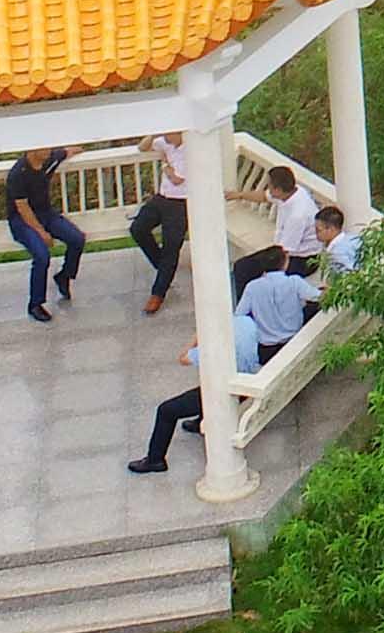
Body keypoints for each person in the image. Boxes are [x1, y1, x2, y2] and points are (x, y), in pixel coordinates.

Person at [127, 262, 322, 474]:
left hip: (228, 391)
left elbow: (183, 359)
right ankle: (201, 418)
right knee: (206, 384)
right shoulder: (247, 326)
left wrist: (196, 339)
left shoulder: (213, 345)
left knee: (166, 410)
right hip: (247, 378)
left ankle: (155, 459)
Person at [2, 145, 85, 322]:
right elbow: (22, 208)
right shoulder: (18, 174)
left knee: (77, 239)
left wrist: (81, 147)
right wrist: (41, 232)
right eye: (44, 147)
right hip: (22, 221)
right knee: (42, 256)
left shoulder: (49, 159)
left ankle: (64, 276)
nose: (49, 150)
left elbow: (67, 152)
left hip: (47, 214)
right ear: (32, 150)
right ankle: (35, 304)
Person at [229, 164, 327, 300]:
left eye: (269, 185)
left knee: (245, 271)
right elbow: (264, 197)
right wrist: (239, 195)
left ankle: (247, 310)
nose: (267, 188)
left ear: (279, 190)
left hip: (302, 259)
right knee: (242, 266)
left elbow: (285, 251)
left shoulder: (297, 215)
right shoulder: (292, 192)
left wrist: (266, 269)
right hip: (287, 249)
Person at [131, 126, 191, 315]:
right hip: (162, 198)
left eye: (168, 133)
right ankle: (162, 266)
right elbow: (142, 147)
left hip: (181, 202)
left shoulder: (190, 149)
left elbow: (177, 179)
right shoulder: (167, 142)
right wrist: (154, 132)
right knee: (138, 228)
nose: (165, 138)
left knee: (171, 247)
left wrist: (165, 164)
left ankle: (158, 293)